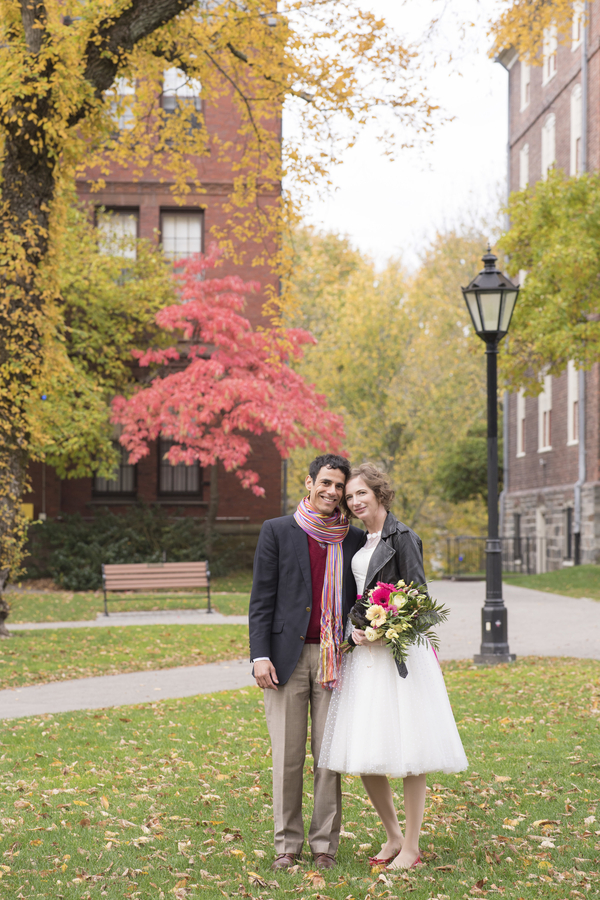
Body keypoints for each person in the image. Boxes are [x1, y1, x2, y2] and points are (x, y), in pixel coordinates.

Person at [319, 463, 468, 870]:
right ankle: (393, 836)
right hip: (365, 658)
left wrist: (386, 631)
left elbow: (419, 601)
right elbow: (355, 597)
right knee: (366, 751)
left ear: (380, 493)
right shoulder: (357, 541)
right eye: (349, 497)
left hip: (399, 659)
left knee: (408, 751)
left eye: (361, 493)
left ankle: (413, 846)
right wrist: (359, 630)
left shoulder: (403, 538)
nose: (353, 501)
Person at [249, 454, 366, 871]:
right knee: (287, 756)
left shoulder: (353, 539)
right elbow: (262, 599)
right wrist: (259, 655)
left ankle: (324, 846)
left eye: (339, 487)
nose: (332, 492)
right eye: (326, 483)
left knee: (329, 757)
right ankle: (287, 846)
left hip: (337, 659)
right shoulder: (278, 531)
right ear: (309, 482)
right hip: (285, 659)